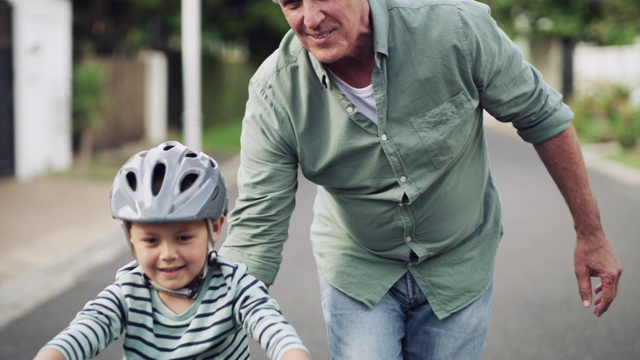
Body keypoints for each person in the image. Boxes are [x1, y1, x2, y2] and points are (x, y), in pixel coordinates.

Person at [218, 0, 624, 358]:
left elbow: (543, 117)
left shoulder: (456, 29)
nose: (311, 18)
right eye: (291, 3)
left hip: (459, 259)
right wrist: (214, 322)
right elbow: (256, 225)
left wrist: (591, 232)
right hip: (358, 267)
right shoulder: (276, 90)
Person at [34, 141, 311, 360]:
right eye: (151, 241)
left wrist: (292, 353)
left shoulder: (233, 285)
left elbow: (273, 328)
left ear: (215, 228)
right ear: (130, 237)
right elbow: (85, 330)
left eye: (183, 238)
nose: (167, 253)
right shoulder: (128, 292)